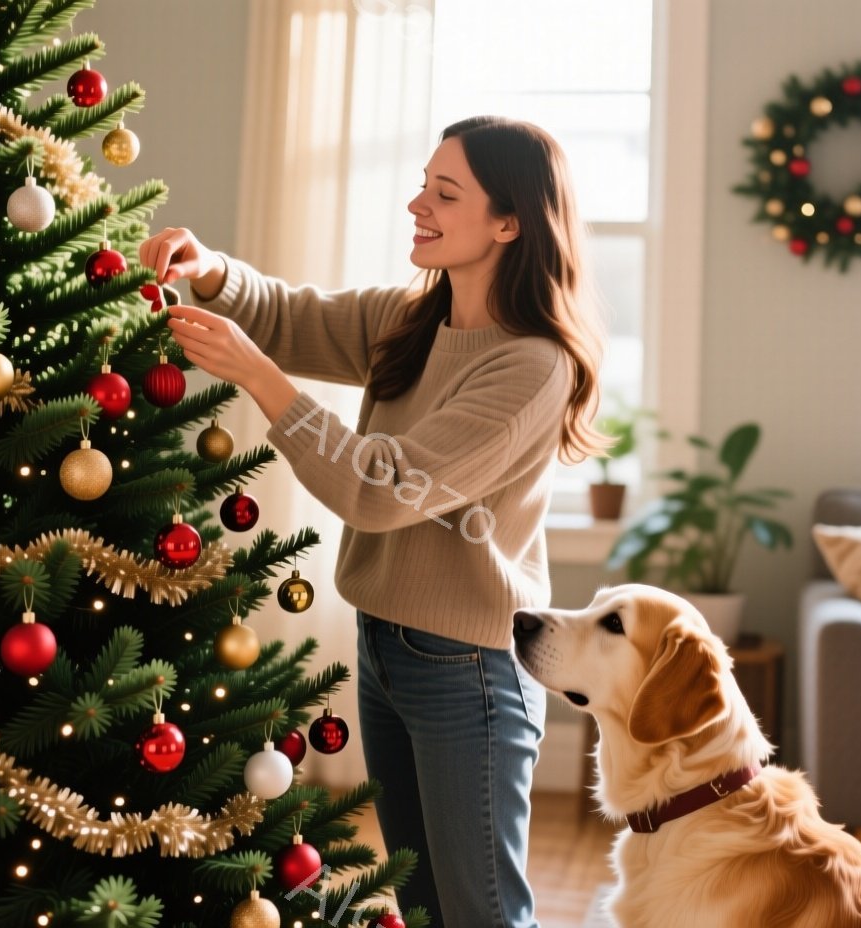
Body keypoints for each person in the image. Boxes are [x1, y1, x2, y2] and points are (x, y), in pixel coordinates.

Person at [141, 115, 608, 928]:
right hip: (386, 646)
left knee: (482, 913)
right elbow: (292, 317)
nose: (416, 203)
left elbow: (382, 490)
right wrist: (210, 271)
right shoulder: (417, 319)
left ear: (509, 222)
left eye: (444, 192)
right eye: (425, 183)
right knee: (424, 906)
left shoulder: (534, 365)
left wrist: (259, 379)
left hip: (468, 673)